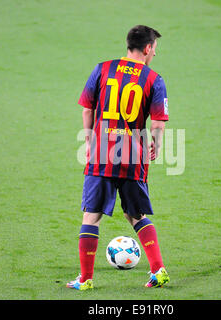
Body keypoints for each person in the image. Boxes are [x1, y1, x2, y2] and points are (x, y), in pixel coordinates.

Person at [67, 25, 170, 290]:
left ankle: (86, 279)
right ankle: (158, 271)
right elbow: (158, 123)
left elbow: (87, 108)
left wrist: (90, 138)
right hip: (133, 155)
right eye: (154, 49)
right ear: (147, 48)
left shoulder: (102, 69)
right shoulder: (154, 79)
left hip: (102, 153)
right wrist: (155, 145)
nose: (154, 54)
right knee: (136, 214)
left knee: (91, 216)